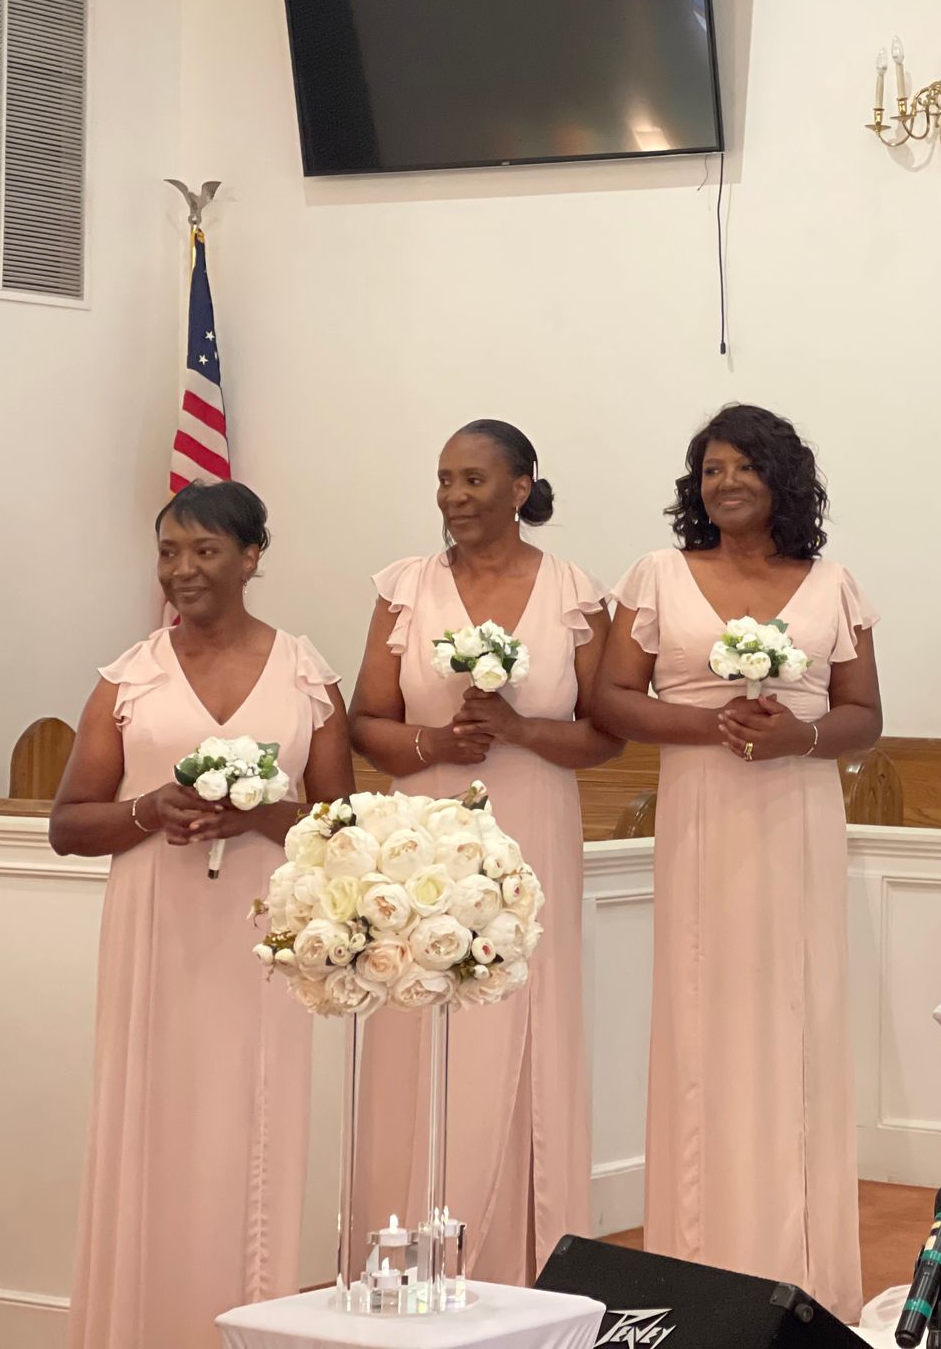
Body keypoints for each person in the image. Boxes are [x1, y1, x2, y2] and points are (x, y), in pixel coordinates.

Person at [594, 404, 881, 1322]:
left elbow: (865, 715)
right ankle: (693, 1260)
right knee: (700, 1008)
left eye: (742, 467)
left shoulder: (831, 584)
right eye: (710, 470)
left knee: (794, 1014)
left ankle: (802, 1265)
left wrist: (797, 738)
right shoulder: (658, 575)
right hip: (702, 807)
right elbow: (611, 699)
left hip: (796, 812)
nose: (725, 483)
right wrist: (712, 724)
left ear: (781, 478)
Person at [55, 481, 355, 1348]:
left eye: (204, 552)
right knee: (151, 1131)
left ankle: (245, 1325)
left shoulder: (308, 678)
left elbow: (339, 829)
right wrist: (151, 810)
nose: (182, 571)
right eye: (168, 553)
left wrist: (263, 815)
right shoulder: (129, 678)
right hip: (157, 933)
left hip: (262, 939)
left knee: (251, 1134)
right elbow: (69, 825)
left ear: (252, 557)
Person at [348, 419, 621, 1284]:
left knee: (520, 1016)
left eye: (473, 480)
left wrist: (519, 730)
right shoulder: (404, 588)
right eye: (443, 481)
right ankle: (406, 1244)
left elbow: (606, 736)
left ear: (521, 486)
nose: (454, 498)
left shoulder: (576, 593)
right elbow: (366, 722)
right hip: (422, 828)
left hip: (532, 821)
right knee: (421, 1018)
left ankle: (522, 1257)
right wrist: (435, 747)